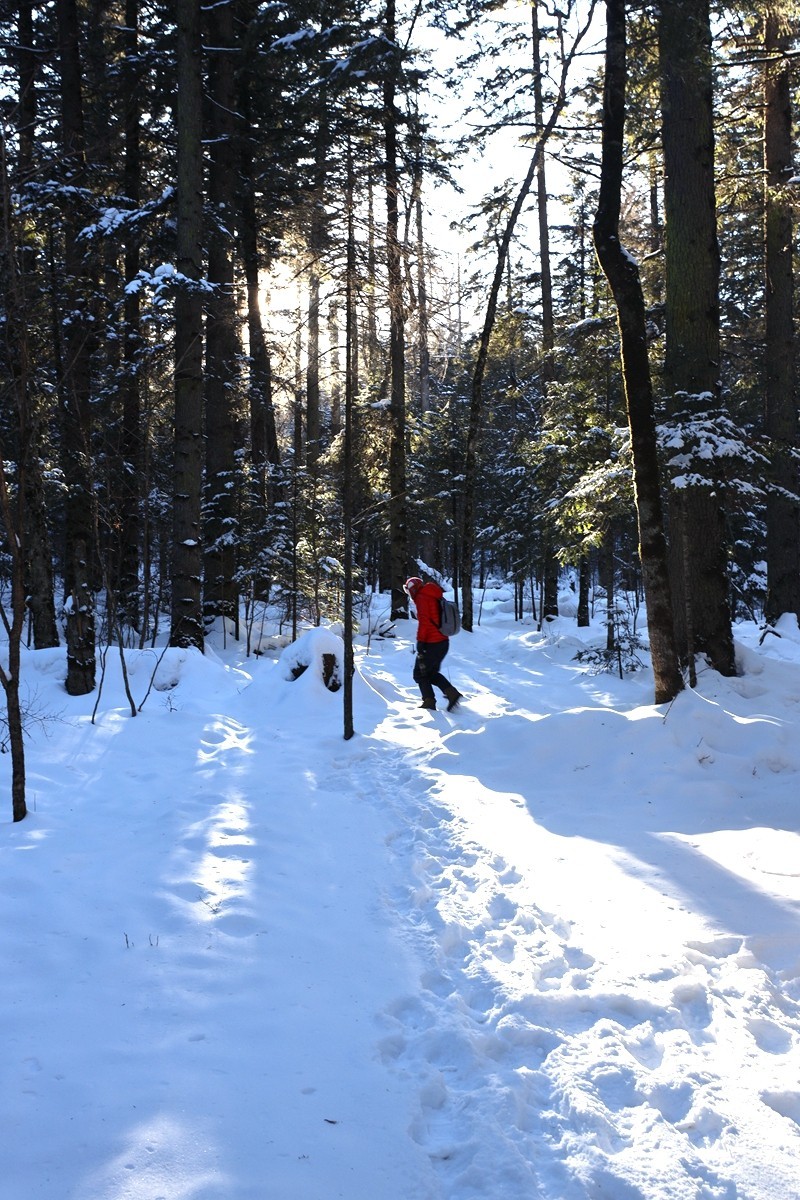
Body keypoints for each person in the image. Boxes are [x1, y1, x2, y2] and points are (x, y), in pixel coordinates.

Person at [404, 576, 463, 712]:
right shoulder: (432, 594)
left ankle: (430, 701)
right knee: (430, 673)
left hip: (432, 643)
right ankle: (451, 693)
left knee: (419, 674)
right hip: (442, 642)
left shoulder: (422, 598)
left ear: (414, 589)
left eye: (409, 590)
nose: (409, 594)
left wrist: (421, 642)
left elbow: (424, 623)